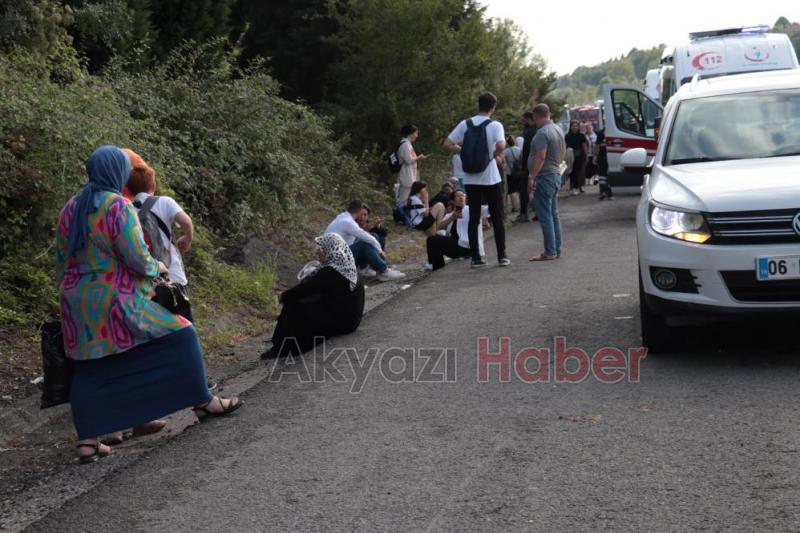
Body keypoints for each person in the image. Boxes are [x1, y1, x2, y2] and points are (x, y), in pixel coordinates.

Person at [56, 146, 240, 464]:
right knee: (182, 335)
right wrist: (159, 268)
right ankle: (203, 401)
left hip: (75, 302)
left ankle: (87, 442)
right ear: (115, 172)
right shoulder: (117, 206)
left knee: (90, 367)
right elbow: (137, 258)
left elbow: (62, 257)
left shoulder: (71, 208)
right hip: (116, 300)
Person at [261, 234, 365, 360]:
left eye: (321, 249)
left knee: (293, 305)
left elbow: (302, 290)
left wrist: (282, 296)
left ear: (329, 251)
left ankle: (283, 348)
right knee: (306, 302)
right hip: (352, 321)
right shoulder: (349, 267)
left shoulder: (330, 272)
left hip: (342, 324)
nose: (318, 252)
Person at [123, 150, 195, 322]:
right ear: (153, 186)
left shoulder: (126, 209)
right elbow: (186, 222)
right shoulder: (164, 202)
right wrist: (187, 238)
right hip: (173, 275)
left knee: (157, 328)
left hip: (145, 282)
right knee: (183, 324)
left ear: (129, 189)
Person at [442, 92, 510, 268]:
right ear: (493, 107)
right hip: (491, 177)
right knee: (497, 216)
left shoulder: (466, 124)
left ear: (478, 105)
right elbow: (502, 145)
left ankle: (476, 258)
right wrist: (494, 154)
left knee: (473, 217)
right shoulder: (495, 125)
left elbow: (447, 144)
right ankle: (502, 256)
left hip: (471, 178)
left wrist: (462, 152)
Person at [325, 200, 405, 281]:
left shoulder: (342, 217)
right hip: (336, 261)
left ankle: (365, 268)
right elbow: (368, 239)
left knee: (372, 236)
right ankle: (384, 271)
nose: (362, 216)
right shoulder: (348, 222)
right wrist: (380, 251)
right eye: (362, 213)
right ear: (359, 211)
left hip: (337, 255)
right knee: (364, 243)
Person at [527, 104, 566, 262]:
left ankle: (550, 251)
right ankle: (556, 249)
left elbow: (540, 156)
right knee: (554, 214)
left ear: (536, 116)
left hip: (545, 176)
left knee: (545, 215)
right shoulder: (557, 129)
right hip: (555, 173)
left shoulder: (542, 133)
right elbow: (563, 151)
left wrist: (531, 176)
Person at [425, 190, 488, 270]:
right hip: (456, 246)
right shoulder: (450, 215)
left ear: (465, 198)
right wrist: (452, 218)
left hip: (470, 247)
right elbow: (438, 227)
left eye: (463, 195)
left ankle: (435, 265)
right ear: (453, 201)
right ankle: (437, 266)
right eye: (458, 196)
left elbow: (487, 210)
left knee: (433, 239)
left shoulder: (472, 209)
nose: (461, 197)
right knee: (432, 239)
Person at [395, 125, 428, 206]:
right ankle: (400, 216)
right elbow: (409, 160)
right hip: (406, 177)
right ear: (410, 133)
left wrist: (418, 159)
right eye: (416, 133)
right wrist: (419, 157)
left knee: (408, 200)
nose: (417, 135)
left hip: (410, 177)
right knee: (403, 201)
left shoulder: (408, 144)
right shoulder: (405, 145)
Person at [517, 111, 538, 222]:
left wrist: (524, 165)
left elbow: (526, 150)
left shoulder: (530, 131)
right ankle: (538, 212)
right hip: (537, 163)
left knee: (524, 189)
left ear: (529, 118)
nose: (522, 122)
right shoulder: (538, 129)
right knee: (537, 189)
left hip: (528, 164)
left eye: (524, 119)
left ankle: (524, 213)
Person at [565, 120, 588, 195]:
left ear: (578, 127)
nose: (574, 127)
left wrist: (586, 155)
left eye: (576, 126)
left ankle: (576, 187)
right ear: (570, 127)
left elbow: (584, 146)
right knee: (571, 172)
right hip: (570, 156)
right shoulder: (567, 136)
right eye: (573, 126)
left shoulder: (581, 136)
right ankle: (572, 188)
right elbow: (565, 146)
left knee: (578, 172)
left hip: (579, 155)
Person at [503, 135, 522, 214]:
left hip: (510, 172)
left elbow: (503, 161)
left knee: (512, 190)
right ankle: (522, 205)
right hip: (519, 172)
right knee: (520, 190)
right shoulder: (519, 149)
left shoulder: (506, 151)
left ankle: (515, 207)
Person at [595, 128, 614, 200]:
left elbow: (597, 146)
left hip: (606, 157)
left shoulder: (607, 132)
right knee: (603, 176)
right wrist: (596, 156)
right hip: (603, 157)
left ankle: (605, 193)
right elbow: (597, 146)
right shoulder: (602, 133)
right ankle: (605, 193)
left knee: (604, 176)